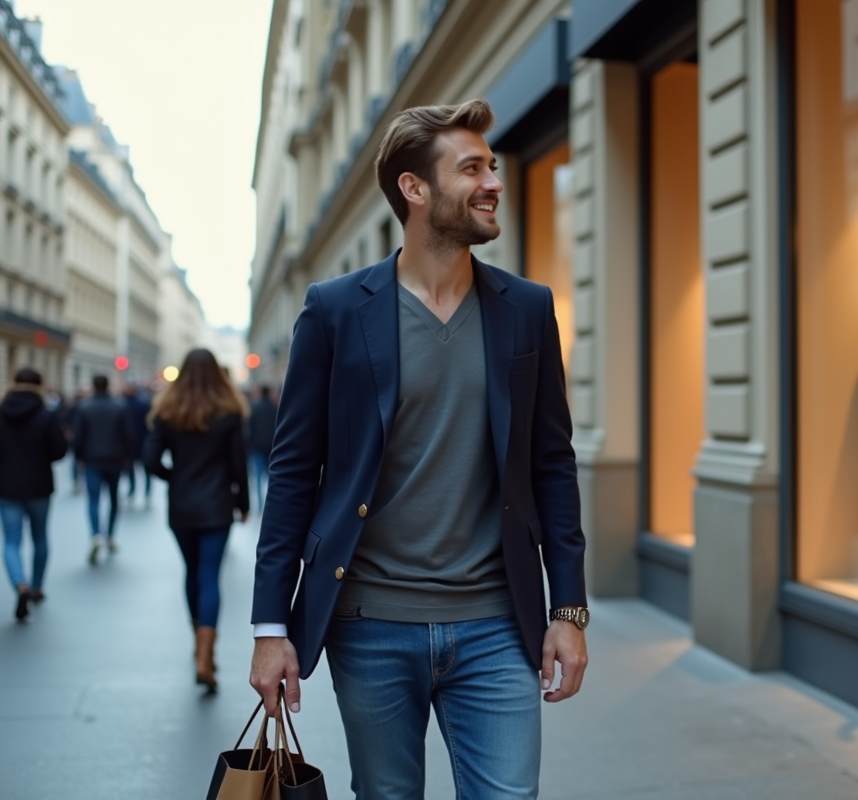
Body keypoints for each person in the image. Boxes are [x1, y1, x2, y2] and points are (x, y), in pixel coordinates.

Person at [249, 99, 588, 799]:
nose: (493, 182)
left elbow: (552, 464)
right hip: (369, 624)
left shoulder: (526, 308)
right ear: (415, 188)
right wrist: (269, 627)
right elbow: (293, 471)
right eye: (472, 169)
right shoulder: (335, 309)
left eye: (492, 166)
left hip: (498, 624)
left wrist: (569, 610)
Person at [144, 348, 250, 690]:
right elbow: (238, 463)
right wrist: (243, 502)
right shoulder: (229, 411)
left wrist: (174, 477)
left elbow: (150, 460)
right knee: (210, 575)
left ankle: (197, 644)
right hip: (217, 504)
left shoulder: (168, 410)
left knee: (191, 571)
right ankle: (206, 654)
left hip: (182, 504)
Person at [0, 368, 69, 621]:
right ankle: (37, 586)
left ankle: (20, 584)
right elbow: (59, 451)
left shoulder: (1, 412)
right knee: (40, 537)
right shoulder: (46, 415)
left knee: (11, 541)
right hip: (39, 486)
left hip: (7, 486)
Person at [73, 374, 134, 564]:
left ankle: (95, 534)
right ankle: (110, 536)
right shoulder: (119, 406)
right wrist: (128, 457)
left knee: (93, 500)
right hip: (115, 459)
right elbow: (128, 434)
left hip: (92, 459)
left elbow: (77, 436)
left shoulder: (84, 407)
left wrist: (79, 457)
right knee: (114, 499)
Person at [246, 385, 277, 513]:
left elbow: (249, 428)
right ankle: (272, 503)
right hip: (271, 446)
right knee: (272, 476)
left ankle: (259, 506)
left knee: (258, 477)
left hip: (257, 446)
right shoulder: (274, 408)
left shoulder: (254, 408)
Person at [122, 383, 153, 508]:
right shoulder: (144, 404)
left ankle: (132, 491)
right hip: (143, 441)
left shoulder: (123, 405)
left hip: (130, 443)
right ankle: (147, 494)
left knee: (131, 470)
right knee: (146, 470)